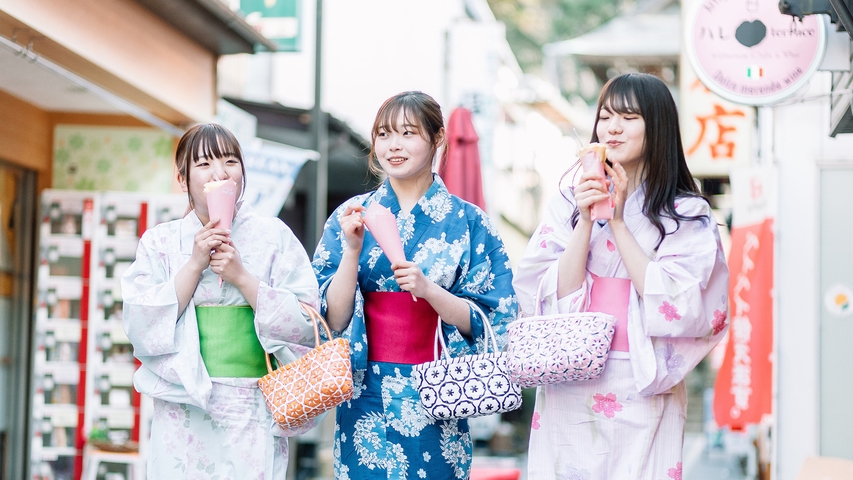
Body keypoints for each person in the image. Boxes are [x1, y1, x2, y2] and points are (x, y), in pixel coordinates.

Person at [513, 73, 730, 479]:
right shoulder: (568, 196)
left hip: (643, 374)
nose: (612, 127)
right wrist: (583, 220)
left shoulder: (687, 213)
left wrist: (616, 222)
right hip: (571, 371)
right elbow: (547, 291)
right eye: (606, 116)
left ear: (658, 125)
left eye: (628, 117)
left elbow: (679, 302)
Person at [312, 91, 517, 479]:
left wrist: (430, 291)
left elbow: (495, 317)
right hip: (363, 389)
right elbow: (331, 319)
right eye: (384, 134)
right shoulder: (350, 214)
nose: (394, 145)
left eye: (408, 133)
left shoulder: (469, 221)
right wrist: (352, 251)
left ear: (437, 138)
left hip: (438, 390)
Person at [121, 123, 320, 478]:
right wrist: (195, 264)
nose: (220, 172)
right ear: (182, 180)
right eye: (204, 164)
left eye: (230, 161)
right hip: (183, 400)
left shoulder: (273, 235)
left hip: (254, 400)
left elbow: (307, 319)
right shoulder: (160, 241)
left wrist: (243, 277)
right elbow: (140, 325)